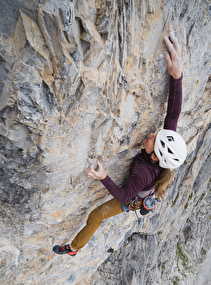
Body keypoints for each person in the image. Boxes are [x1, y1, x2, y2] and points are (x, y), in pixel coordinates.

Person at [53, 32, 187, 256]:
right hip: (141, 187)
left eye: (154, 139)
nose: (152, 135)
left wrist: (103, 177)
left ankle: (74, 248)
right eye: (157, 135)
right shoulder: (163, 148)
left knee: (96, 216)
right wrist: (177, 77)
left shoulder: (144, 173)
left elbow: (125, 197)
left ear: (155, 157)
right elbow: (173, 114)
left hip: (132, 198)